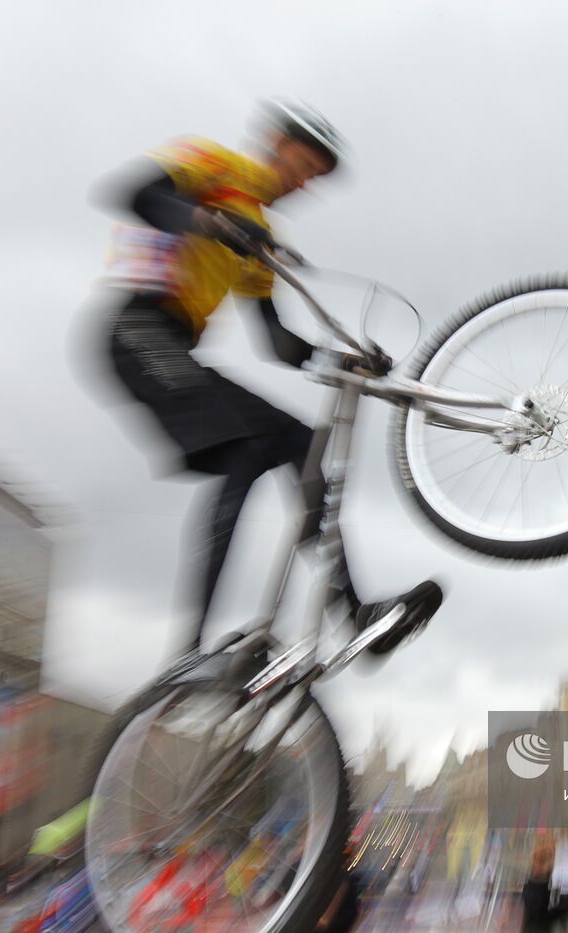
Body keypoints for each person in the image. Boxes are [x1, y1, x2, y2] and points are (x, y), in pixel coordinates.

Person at [93, 99, 442, 660]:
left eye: (314, 180)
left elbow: (276, 343)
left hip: (175, 347)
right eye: (303, 166)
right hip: (135, 332)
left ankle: (352, 615)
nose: (303, 184)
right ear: (277, 144)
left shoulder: (260, 235)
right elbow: (135, 195)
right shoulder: (214, 164)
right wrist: (209, 221)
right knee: (248, 444)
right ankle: (189, 652)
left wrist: (343, 360)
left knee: (300, 446)